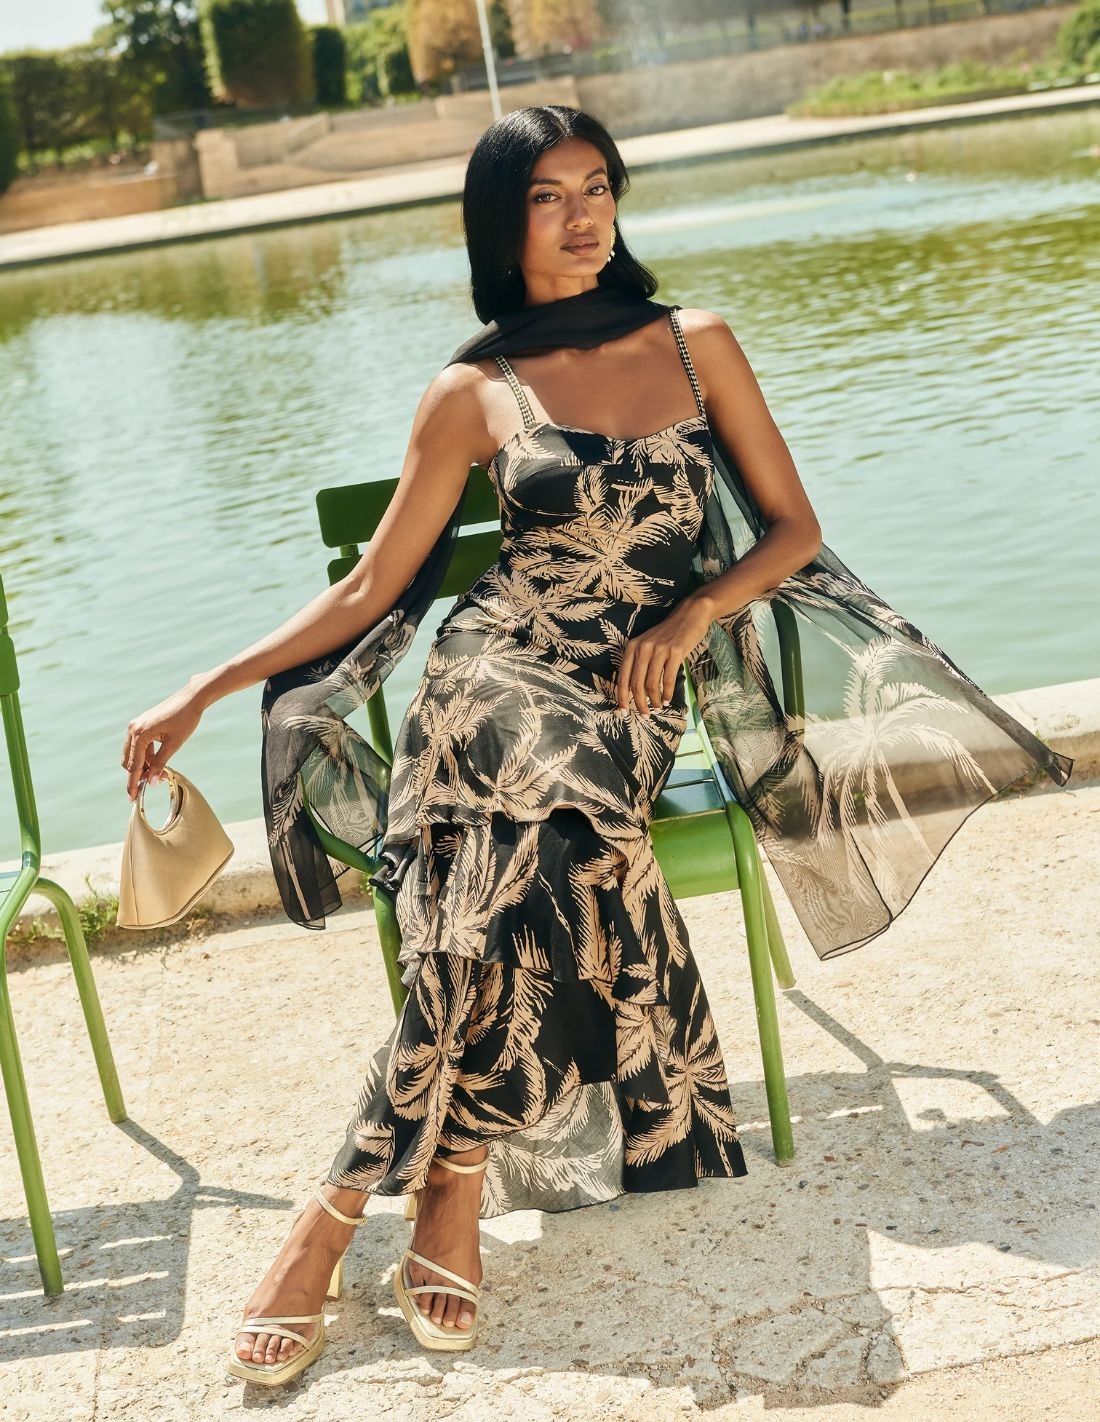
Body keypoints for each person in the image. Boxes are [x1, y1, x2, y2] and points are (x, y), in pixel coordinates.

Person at [120, 105, 1070, 1386]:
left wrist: (691, 614)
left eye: (597, 188)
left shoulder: (694, 343)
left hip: (627, 687)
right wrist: (203, 684)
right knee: (545, 840)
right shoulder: (473, 390)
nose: (582, 217)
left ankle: (348, 1205)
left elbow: (789, 530)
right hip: (492, 669)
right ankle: (443, 1183)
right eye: (547, 197)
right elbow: (369, 591)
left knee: (521, 855)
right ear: (500, 225)